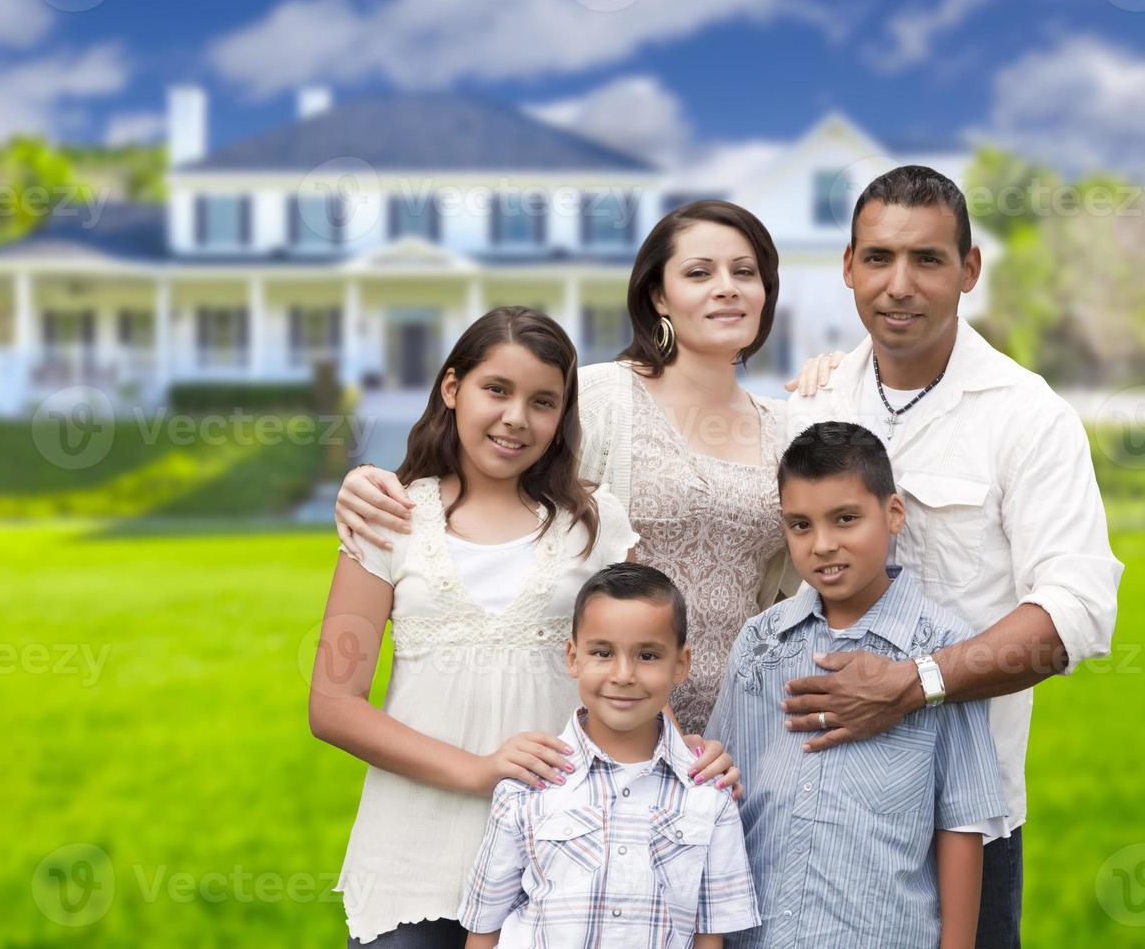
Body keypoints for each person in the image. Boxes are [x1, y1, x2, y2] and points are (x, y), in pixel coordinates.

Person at [309, 307, 736, 947]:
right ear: (452, 389)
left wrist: (694, 762)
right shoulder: (391, 515)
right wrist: (479, 769)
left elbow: (630, 670)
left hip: (562, 864)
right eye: (497, 390)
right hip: (413, 858)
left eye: (543, 402)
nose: (516, 418)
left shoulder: (592, 523)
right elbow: (332, 706)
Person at [777, 166, 1123, 947]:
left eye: (927, 260)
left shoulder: (1028, 417)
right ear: (848, 267)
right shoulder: (813, 405)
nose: (899, 285)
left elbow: (1078, 611)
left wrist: (913, 685)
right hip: (813, 805)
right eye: (878, 258)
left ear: (969, 270)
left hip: (962, 817)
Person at [335, 200, 795, 737]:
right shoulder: (600, 398)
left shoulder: (792, 426)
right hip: (598, 723)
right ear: (658, 296)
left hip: (745, 724)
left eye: (745, 272)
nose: (727, 288)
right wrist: (371, 479)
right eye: (699, 273)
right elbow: (493, 472)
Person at [707, 421, 1007, 948]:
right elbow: (718, 797)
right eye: (800, 525)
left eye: (845, 519)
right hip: (759, 933)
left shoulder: (944, 650)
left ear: (893, 514)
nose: (822, 545)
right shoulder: (760, 642)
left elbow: (960, 822)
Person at [459, 563, 760, 948]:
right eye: (602, 652)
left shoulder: (710, 795)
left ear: (680, 664)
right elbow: (484, 928)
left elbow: (709, 937)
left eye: (648, 656)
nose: (623, 675)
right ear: (573, 658)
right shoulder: (527, 787)